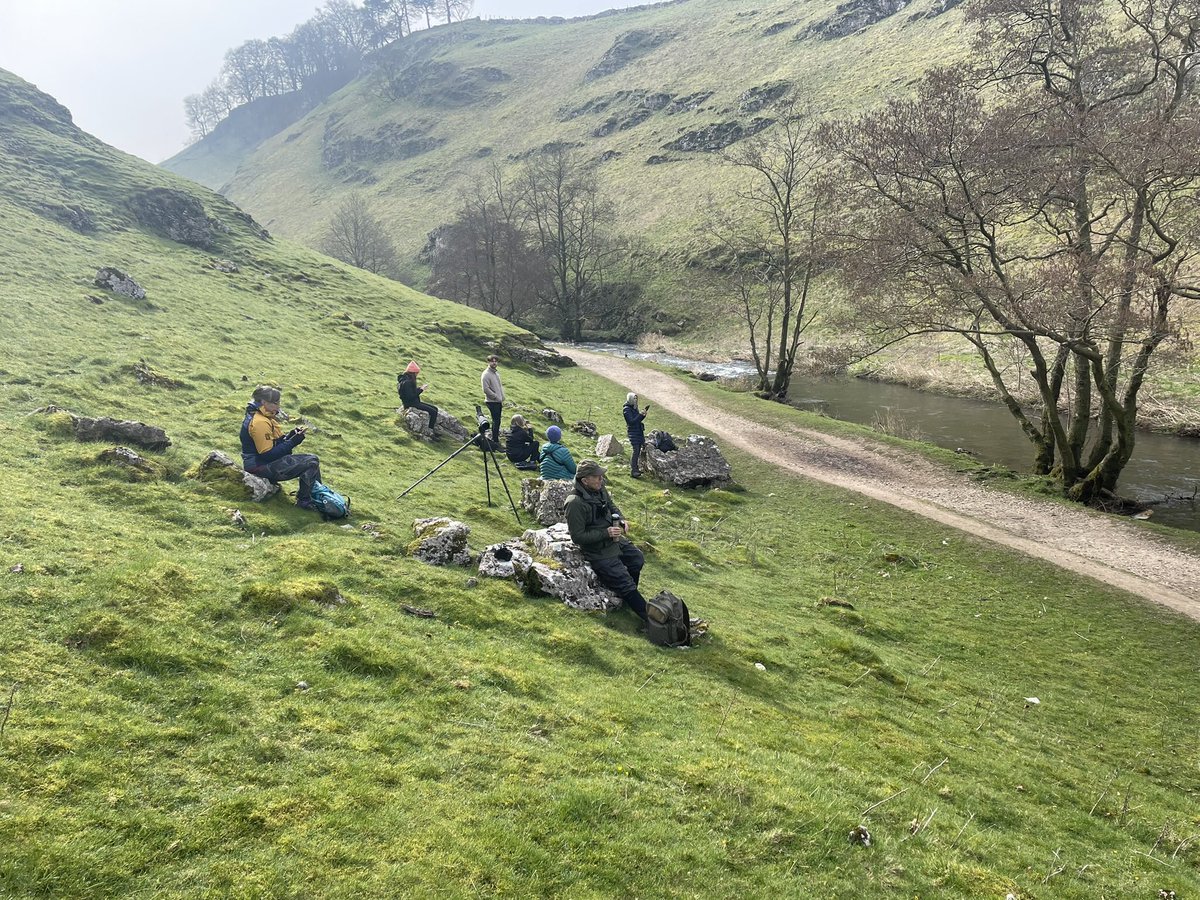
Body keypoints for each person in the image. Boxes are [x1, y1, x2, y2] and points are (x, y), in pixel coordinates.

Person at [565, 459, 648, 621]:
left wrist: (622, 520)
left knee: (637, 558)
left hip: (614, 539)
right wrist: (606, 532)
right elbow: (577, 537)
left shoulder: (599, 488)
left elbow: (611, 506)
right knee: (625, 582)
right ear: (584, 480)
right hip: (597, 550)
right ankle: (652, 621)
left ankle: (628, 599)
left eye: (601, 476)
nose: (601, 479)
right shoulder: (574, 503)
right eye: (597, 476)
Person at [239, 385, 322, 510]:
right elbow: (267, 454)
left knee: (312, 460)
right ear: (263, 402)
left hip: (263, 463)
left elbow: (274, 444)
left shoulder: (263, 416)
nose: (278, 406)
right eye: (275, 403)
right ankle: (305, 501)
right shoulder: (259, 422)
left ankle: (317, 496)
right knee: (311, 462)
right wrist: (293, 442)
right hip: (259, 467)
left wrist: (291, 436)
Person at [397, 361, 439, 431]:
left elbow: (409, 393)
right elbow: (410, 396)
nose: (417, 375)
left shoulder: (404, 380)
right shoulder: (407, 382)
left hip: (411, 403)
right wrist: (421, 390)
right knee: (434, 411)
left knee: (435, 409)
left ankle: (430, 429)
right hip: (411, 404)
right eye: (416, 373)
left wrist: (419, 388)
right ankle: (430, 430)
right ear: (413, 373)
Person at [623, 392, 650, 478]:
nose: (635, 401)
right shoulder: (626, 409)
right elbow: (631, 422)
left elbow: (637, 420)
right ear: (630, 399)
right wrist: (640, 415)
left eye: (636, 399)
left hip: (638, 432)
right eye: (634, 399)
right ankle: (633, 471)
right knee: (636, 451)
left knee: (638, 451)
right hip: (633, 432)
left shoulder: (634, 408)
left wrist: (643, 415)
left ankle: (637, 469)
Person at [481, 355, 505, 445]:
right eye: (492, 361)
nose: (494, 363)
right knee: (496, 420)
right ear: (488, 362)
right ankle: (495, 440)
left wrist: (502, 397)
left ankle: (495, 438)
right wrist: (495, 396)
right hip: (492, 401)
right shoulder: (486, 374)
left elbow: (499, 386)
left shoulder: (496, 373)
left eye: (495, 361)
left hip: (498, 401)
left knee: (497, 420)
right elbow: (486, 389)